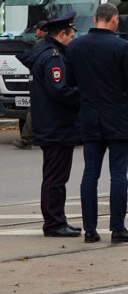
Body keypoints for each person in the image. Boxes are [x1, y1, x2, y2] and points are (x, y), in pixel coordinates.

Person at [65, 3, 128, 244]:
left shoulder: (76, 46)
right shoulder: (121, 46)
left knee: (90, 173)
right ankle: (118, 228)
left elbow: (70, 81)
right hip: (117, 116)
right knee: (118, 173)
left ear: (96, 19)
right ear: (115, 20)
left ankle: (89, 230)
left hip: (89, 116)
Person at [16, 13, 81, 237]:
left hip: (51, 124)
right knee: (55, 178)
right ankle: (54, 223)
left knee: (56, 177)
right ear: (61, 34)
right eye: (71, 36)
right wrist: (84, 94)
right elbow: (60, 90)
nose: (73, 40)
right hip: (56, 126)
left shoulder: (45, 53)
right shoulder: (53, 57)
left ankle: (57, 219)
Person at [13, 20, 48, 150]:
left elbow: (31, 61)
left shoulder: (39, 44)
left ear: (40, 31)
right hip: (45, 83)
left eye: (36, 30)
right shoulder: (51, 43)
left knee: (32, 110)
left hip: (40, 83)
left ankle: (26, 139)